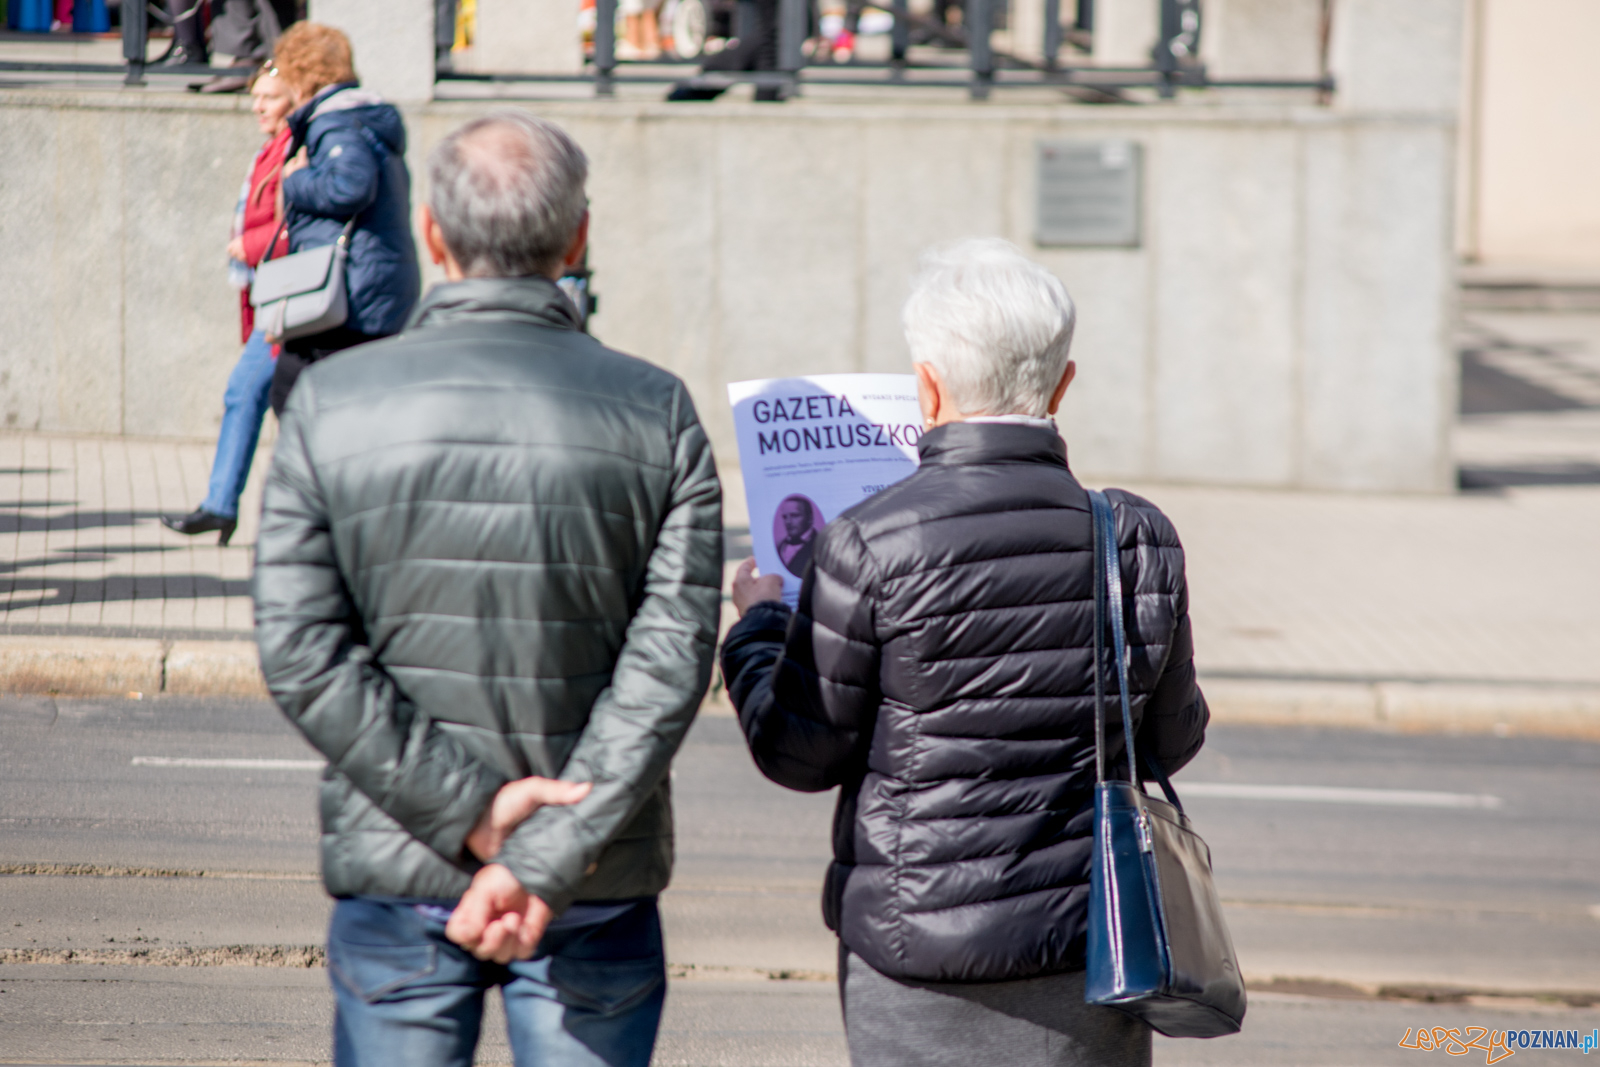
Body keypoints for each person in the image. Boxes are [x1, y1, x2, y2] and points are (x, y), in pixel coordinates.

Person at [253, 109, 722, 1067]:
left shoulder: (331, 403)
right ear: (578, 236)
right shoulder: (658, 408)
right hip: (594, 877)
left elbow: (302, 648)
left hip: (404, 860)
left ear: (430, 233)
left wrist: (470, 813)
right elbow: (670, 659)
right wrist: (541, 849)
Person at [719, 238, 1209, 1067]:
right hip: (1091, 950)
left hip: (918, 956)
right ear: (1063, 384)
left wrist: (755, 628)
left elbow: (798, 752)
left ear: (930, 387)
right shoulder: (1137, 537)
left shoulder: (866, 542)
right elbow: (1170, 741)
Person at [161, 65, 296, 546]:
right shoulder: (272, 148)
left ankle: (230, 507)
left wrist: (252, 244)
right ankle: (225, 506)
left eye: (270, 97)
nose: (258, 105)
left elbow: (296, 222)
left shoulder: (295, 149)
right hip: (271, 298)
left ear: (295, 99)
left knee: (256, 396)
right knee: (261, 399)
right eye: (256, 95)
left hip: (290, 300)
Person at [265, 22, 421, 417]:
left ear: (301, 77)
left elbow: (351, 185)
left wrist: (295, 180)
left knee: (293, 396)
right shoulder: (363, 115)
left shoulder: (335, 120)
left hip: (346, 294)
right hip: (372, 289)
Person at [774, 495, 817, 575]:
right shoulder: (780, 546)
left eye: (794, 515)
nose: (788, 522)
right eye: (785, 517)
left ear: (809, 518)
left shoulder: (820, 544)